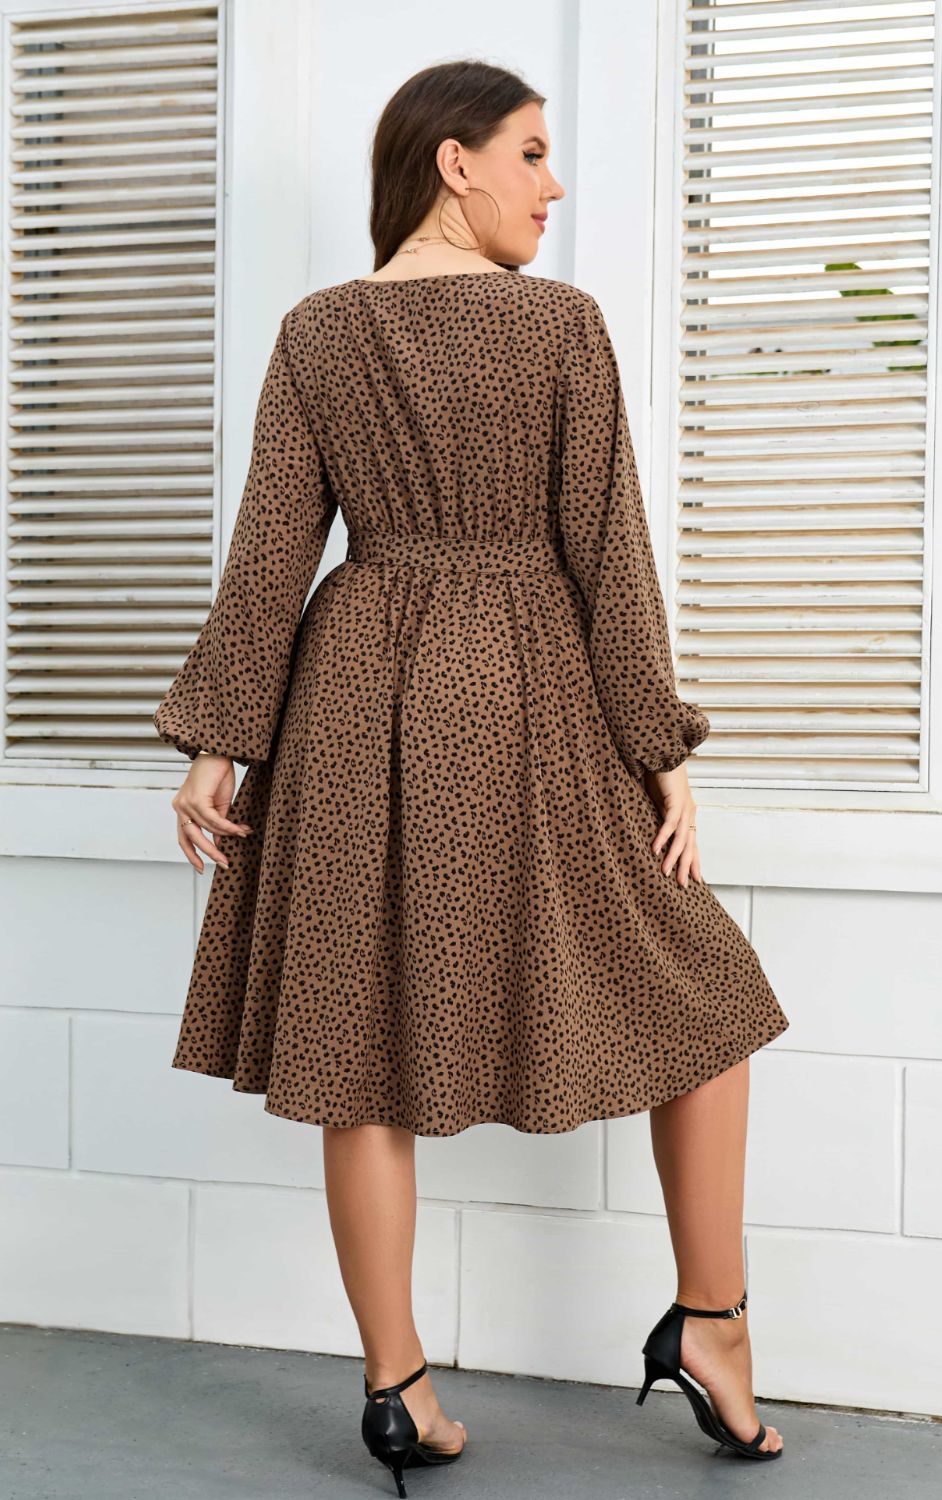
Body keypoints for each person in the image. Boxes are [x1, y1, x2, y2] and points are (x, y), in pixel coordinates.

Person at [153, 59, 789, 1495]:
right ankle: (715, 1323)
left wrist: (218, 746)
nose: (553, 187)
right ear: (455, 163)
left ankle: (397, 1389)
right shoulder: (559, 325)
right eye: (533, 154)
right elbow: (607, 548)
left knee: (359, 1032)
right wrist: (660, 749)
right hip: (524, 683)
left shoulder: (319, 331)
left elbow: (272, 550)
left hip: (355, 688)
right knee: (706, 995)